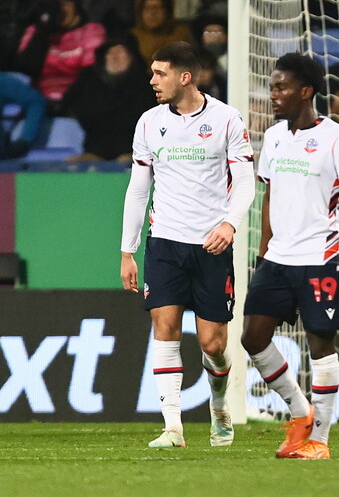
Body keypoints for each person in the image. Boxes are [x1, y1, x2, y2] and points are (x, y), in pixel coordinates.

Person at [120, 41, 256, 448]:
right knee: (165, 329)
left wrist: (230, 224)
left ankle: (219, 404)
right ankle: (173, 427)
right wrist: (127, 250)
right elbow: (138, 189)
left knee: (214, 344)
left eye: (159, 73)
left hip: (211, 245)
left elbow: (245, 181)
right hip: (164, 243)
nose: (152, 80)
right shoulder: (148, 123)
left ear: (184, 77)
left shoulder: (227, 119)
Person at [243, 52, 339, 460]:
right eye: (272, 87)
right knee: (252, 338)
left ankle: (320, 440)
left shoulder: (338, 138)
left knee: (320, 343)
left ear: (306, 91)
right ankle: (300, 412)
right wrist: (263, 252)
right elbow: (269, 196)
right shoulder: (274, 137)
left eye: (281, 87)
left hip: (321, 256)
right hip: (278, 258)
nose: (273, 94)